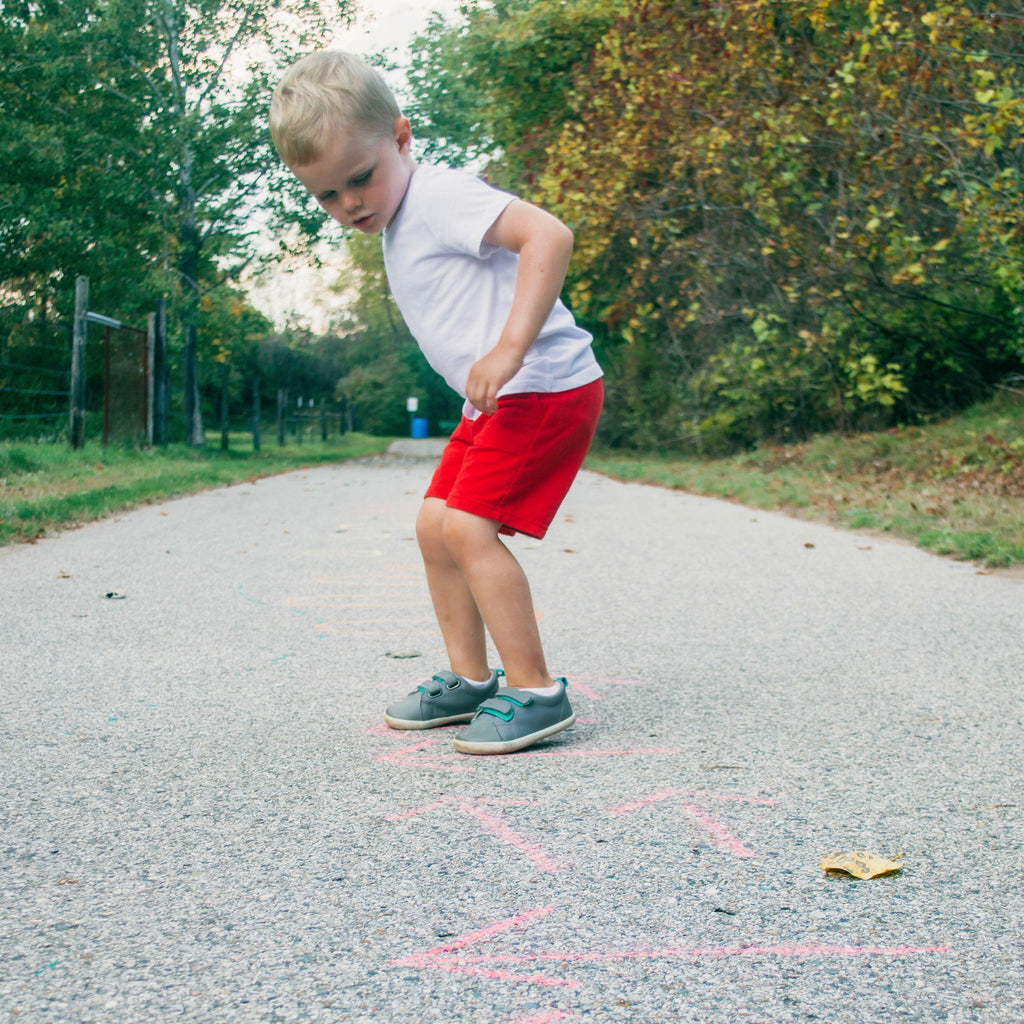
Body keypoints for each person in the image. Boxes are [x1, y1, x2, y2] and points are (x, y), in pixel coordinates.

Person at [270, 51, 603, 755]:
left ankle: (538, 690)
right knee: (433, 525)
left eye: (359, 179)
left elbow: (550, 234)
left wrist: (510, 348)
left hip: (543, 383)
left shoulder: (441, 197)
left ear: (400, 137)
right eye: (326, 196)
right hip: (495, 401)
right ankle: (470, 678)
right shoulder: (395, 219)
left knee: (468, 529)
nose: (349, 204)